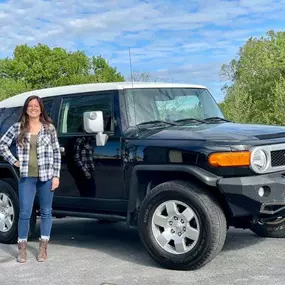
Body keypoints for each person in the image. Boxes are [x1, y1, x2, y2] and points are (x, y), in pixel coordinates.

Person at [0, 95, 61, 263]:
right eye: (30, 105)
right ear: (26, 108)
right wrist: (14, 161)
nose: (33, 108)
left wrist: (56, 175)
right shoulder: (17, 127)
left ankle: (43, 248)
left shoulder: (49, 128)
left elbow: (56, 153)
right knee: (25, 212)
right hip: (27, 176)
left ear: (41, 109)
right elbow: (2, 145)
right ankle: (22, 249)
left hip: (47, 175)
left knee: (46, 212)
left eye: (36, 106)